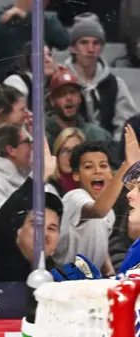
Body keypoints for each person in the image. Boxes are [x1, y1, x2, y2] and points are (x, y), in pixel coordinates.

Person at [53, 130, 140, 273]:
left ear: (111, 175)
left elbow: (101, 247)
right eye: (88, 166)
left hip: (90, 283)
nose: (97, 171)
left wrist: (111, 273)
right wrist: (127, 165)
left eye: (103, 165)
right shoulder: (74, 198)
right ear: (76, 175)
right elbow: (99, 210)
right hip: (64, 281)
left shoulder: (109, 213)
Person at [63, 12, 137, 141]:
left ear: (102, 47)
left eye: (96, 43)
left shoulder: (114, 84)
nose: (90, 49)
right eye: (84, 43)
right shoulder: (61, 80)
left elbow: (127, 125)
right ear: (73, 47)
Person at [45, 66, 116, 164]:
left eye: (73, 92)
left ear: (80, 98)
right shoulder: (42, 138)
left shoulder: (99, 136)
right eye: (62, 94)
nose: (69, 98)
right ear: (52, 101)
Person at [48, 127, 85, 196]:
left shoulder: (90, 186)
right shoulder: (48, 188)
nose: (70, 157)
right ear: (57, 155)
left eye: (75, 151)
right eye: (65, 151)